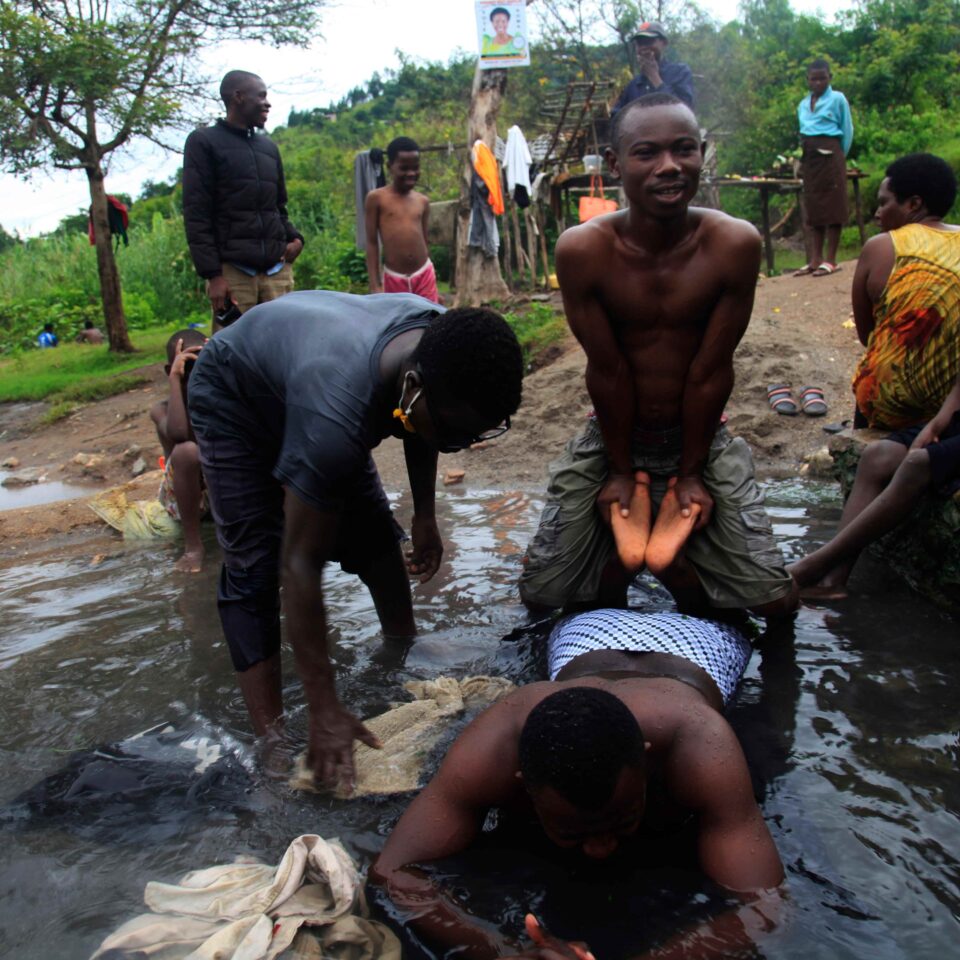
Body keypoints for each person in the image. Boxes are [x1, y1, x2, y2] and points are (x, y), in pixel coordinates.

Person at [187, 291, 523, 788]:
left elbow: (422, 426)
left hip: (312, 379)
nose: (460, 447)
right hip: (234, 395)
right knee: (254, 564)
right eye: (455, 434)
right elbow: (299, 565)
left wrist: (425, 515)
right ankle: (272, 743)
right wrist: (324, 707)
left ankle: (402, 651)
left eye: (473, 437)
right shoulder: (336, 416)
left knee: (374, 537)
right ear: (411, 387)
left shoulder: (438, 341)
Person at [519, 94, 798, 619]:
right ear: (616, 163)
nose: (669, 167)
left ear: (702, 153)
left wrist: (691, 473)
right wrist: (621, 471)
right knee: (544, 594)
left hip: (701, 434)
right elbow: (608, 370)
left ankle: (669, 563)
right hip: (613, 432)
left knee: (776, 604)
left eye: (683, 149)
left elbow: (711, 370)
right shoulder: (583, 250)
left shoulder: (734, 244)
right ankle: (628, 560)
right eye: (647, 153)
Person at [371, 608, 784, 960]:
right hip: (590, 632)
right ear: (522, 784)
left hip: (700, 642)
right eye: (573, 832)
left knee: (735, 623)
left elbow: (766, 904)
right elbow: (392, 872)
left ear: (647, 758)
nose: (600, 850)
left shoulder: (697, 742)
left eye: (623, 822)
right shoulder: (493, 748)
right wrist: (503, 951)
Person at [182, 70, 304, 330]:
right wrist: (214, 276)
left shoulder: (268, 149)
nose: (267, 103)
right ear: (238, 97)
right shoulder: (203, 142)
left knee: (283, 352)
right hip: (234, 275)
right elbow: (196, 215)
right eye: (261, 96)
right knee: (235, 359)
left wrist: (295, 239)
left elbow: (277, 207)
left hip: (276, 274)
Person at [850, 153, 960, 430]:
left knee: (877, 369)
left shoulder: (880, 247)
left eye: (884, 203)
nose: (877, 213)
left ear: (913, 204)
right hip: (954, 407)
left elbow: (868, 336)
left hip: (890, 406)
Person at [150, 329, 209, 574]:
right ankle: (193, 547)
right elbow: (179, 434)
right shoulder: (161, 410)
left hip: (226, 487)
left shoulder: (219, 397)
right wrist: (176, 379)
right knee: (187, 451)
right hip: (187, 497)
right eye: (188, 370)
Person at [793, 60, 853, 278]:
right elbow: (804, 131)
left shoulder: (837, 99)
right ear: (807, 80)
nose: (818, 82)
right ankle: (815, 259)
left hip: (831, 154)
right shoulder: (802, 104)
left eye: (822, 78)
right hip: (810, 156)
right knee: (814, 206)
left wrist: (838, 156)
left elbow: (847, 130)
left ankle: (831, 260)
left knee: (834, 205)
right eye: (813, 78)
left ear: (830, 78)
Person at [364, 137, 439, 303]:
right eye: (404, 168)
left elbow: (425, 241)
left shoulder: (422, 201)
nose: (411, 173)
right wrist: (375, 284)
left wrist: (434, 280)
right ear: (390, 167)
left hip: (424, 274)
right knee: (398, 324)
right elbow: (371, 243)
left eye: (415, 168)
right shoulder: (376, 199)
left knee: (430, 320)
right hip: (394, 278)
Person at [611, 23, 694, 112]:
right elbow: (617, 116)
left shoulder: (679, 73)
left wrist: (654, 76)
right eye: (639, 43)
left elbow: (683, 111)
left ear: (664, 43)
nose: (643, 47)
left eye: (648, 41)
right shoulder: (634, 85)